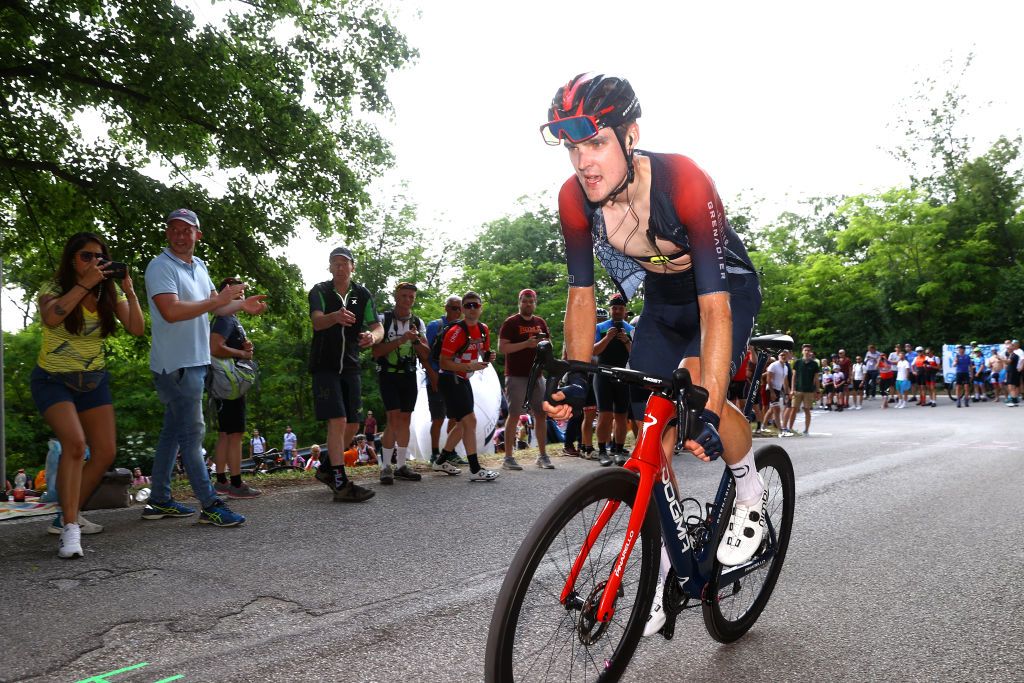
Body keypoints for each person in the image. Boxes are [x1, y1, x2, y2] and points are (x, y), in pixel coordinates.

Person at [538, 74, 764, 638]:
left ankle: (751, 492)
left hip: (722, 292)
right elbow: (581, 297)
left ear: (630, 134)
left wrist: (709, 408)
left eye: (594, 143)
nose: (583, 162)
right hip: (663, 305)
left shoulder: (681, 180)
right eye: (572, 147)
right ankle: (666, 571)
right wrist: (576, 378)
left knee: (692, 389)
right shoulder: (575, 200)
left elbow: (715, 311)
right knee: (651, 434)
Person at [144, 209, 266, 527]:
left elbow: (217, 304)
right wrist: (217, 302)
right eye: (174, 229)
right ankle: (210, 503)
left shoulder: (199, 266)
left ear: (198, 235)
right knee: (192, 433)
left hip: (195, 362)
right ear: (167, 232)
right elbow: (170, 311)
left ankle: (158, 499)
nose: (180, 235)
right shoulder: (160, 267)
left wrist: (241, 305)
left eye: (187, 230)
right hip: (176, 366)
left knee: (173, 433)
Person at [29, 232, 145, 557]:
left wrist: (129, 291)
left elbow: (136, 328)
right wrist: (83, 286)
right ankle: (70, 530)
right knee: (76, 445)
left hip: (93, 381)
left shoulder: (107, 293)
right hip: (53, 380)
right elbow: (52, 317)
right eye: (85, 256)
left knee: (105, 452)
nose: (93, 262)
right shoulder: (53, 289)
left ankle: (67, 513)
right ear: (71, 260)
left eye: (99, 257)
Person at [308, 246, 383, 502]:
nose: (340, 267)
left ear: (353, 267)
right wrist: (335, 317)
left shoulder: (362, 294)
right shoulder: (320, 291)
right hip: (324, 364)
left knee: (353, 423)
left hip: (350, 364)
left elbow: (377, 326)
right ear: (329, 267)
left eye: (344, 263)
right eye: (335, 263)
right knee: (337, 420)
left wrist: (372, 337)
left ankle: (328, 469)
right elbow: (317, 321)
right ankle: (341, 484)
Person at [436, 291, 499, 481]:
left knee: (464, 424)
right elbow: (443, 363)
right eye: (468, 305)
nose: (472, 309)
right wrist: (469, 366)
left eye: (476, 305)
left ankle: (440, 461)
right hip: (450, 378)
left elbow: (484, 354)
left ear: (481, 308)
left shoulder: (483, 329)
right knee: (469, 421)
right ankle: (474, 469)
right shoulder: (456, 332)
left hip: (463, 378)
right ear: (463, 309)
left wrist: (489, 357)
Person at [371, 282, 431, 484]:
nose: (407, 300)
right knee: (393, 419)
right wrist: (400, 339)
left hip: (408, 375)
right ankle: (386, 467)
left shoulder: (417, 322)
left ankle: (402, 466)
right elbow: (376, 352)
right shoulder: (383, 320)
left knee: (405, 419)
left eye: (411, 297)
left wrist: (414, 340)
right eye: (404, 296)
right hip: (388, 374)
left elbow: (426, 354)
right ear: (396, 296)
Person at [210, 277, 261, 499]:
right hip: (229, 383)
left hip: (221, 384)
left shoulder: (227, 319)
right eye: (236, 292)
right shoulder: (225, 319)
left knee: (224, 433)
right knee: (235, 434)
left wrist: (244, 345)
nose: (241, 296)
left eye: (241, 292)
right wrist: (243, 354)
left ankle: (221, 481)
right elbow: (215, 347)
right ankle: (236, 484)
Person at [498, 288, 554, 470]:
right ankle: (508, 458)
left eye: (531, 301)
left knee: (541, 414)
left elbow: (548, 344)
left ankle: (542, 456)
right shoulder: (511, 323)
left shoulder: (540, 322)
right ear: (519, 302)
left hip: (537, 375)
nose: (528, 304)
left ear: (535, 303)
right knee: (514, 415)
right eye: (524, 301)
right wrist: (526, 344)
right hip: (516, 375)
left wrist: (543, 346)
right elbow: (503, 348)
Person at [593, 293, 636, 465]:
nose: (617, 311)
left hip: (623, 376)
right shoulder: (600, 327)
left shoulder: (631, 329)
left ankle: (618, 450)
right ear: (610, 309)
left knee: (621, 416)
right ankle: (602, 451)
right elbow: (594, 351)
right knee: (604, 415)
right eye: (614, 308)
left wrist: (626, 341)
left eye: (620, 308)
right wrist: (608, 337)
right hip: (603, 373)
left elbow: (635, 356)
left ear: (625, 310)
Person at [424, 296, 465, 469]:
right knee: (438, 418)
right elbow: (426, 353)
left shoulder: (463, 328)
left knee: (455, 417)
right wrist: (432, 374)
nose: (456, 311)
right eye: (453, 308)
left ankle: (450, 452)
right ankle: (434, 453)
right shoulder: (435, 326)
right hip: (436, 376)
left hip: (454, 376)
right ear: (446, 308)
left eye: (459, 308)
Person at [788, 344, 820, 435]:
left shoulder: (814, 364)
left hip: (809, 391)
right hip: (797, 390)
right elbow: (793, 376)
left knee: (807, 410)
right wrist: (792, 389)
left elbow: (816, 378)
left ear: (810, 352)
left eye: (808, 350)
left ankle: (806, 430)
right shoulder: (797, 362)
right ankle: (790, 429)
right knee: (794, 409)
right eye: (805, 350)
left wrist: (817, 391)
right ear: (802, 351)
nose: (807, 352)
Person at [766, 351, 793, 436]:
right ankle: (781, 431)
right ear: (778, 356)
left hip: (778, 390)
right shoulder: (774, 365)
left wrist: (787, 394)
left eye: (785, 355)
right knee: (777, 410)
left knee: (771, 410)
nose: (783, 357)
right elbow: (768, 379)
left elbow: (785, 382)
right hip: (771, 389)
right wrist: (772, 392)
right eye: (781, 355)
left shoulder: (785, 367)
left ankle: (762, 426)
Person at [952, 344, 973, 408]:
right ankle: (958, 401)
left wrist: (971, 374)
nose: (960, 350)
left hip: (966, 373)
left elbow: (970, 366)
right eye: (959, 349)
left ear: (964, 350)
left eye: (961, 349)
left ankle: (966, 400)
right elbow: (954, 365)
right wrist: (956, 362)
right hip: (959, 373)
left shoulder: (967, 356)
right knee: (958, 387)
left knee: (966, 387)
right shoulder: (957, 356)